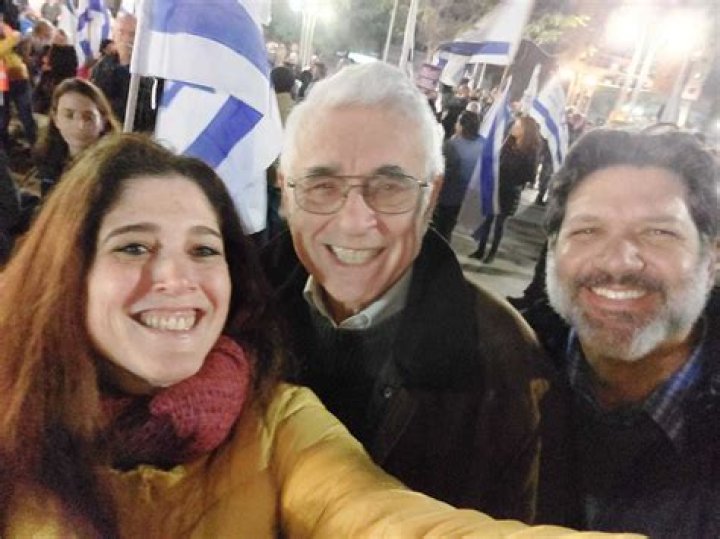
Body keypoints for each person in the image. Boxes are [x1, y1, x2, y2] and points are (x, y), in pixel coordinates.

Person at [0, 133, 634, 538]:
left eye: (203, 249)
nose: (175, 278)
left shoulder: (276, 421)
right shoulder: (12, 412)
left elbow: (388, 519)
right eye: (133, 246)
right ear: (67, 269)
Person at [263, 61, 546, 521]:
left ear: (430, 197)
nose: (355, 221)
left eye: (390, 187)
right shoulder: (230, 316)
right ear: (286, 191)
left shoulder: (504, 360)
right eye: (322, 185)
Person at [529, 130, 720, 537]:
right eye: (587, 231)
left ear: (713, 258)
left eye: (658, 233)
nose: (618, 262)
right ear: (553, 249)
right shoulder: (490, 370)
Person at [30, 77, 120, 197]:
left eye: (88, 117)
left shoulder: (115, 168)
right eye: (69, 115)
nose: (80, 126)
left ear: (103, 121)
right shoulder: (48, 157)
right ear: (56, 119)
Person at [469, 115, 541, 264]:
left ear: (525, 130)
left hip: (510, 191)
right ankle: (480, 249)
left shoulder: (530, 151)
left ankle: (492, 253)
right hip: (497, 186)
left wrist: (512, 175)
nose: (514, 128)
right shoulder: (508, 142)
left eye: (518, 126)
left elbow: (529, 175)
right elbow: (498, 159)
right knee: (487, 219)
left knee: (499, 223)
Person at [90, 12, 159, 131]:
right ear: (114, 35)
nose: (126, 39)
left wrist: (127, 64)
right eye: (121, 32)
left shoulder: (152, 70)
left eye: (132, 34)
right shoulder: (102, 67)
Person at [433, 110, 483, 241]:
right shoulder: (483, 145)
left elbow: (443, 172)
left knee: (440, 230)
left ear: (462, 125)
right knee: (449, 228)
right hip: (468, 196)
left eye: (458, 122)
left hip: (448, 197)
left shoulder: (452, 145)